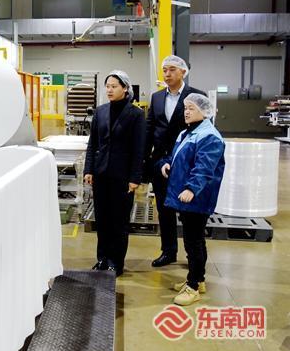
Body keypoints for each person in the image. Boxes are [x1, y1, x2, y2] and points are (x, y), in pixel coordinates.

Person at [158, 93, 225, 306]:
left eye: (191, 108)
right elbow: (178, 155)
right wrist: (167, 163)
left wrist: (191, 188)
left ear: (204, 112)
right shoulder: (187, 132)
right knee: (193, 239)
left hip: (198, 197)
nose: (186, 112)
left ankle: (193, 286)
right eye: (185, 108)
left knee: (193, 242)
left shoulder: (209, 136)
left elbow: (204, 168)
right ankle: (199, 279)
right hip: (187, 196)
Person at [144, 55, 206, 267]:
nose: (167, 74)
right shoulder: (156, 97)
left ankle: (193, 256)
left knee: (188, 212)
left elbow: (202, 129)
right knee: (164, 210)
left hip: (185, 162)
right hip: (160, 163)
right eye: (165, 70)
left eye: (172, 70)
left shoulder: (196, 96)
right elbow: (150, 129)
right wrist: (146, 161)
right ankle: (168, 251)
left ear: (183, 72)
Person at [84, 70, 146, 276]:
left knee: (119, 221)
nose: (109, 90)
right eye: (107, 86)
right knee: (102, 220)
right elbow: (93, 144)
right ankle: (102, 259)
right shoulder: (100, 112)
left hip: (123, 177)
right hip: (101, 174)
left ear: (125, 88)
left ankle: (115, 262)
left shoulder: (136, 114)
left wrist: (135, 177)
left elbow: (139, 149)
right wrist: (89, 169)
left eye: (114, 86)